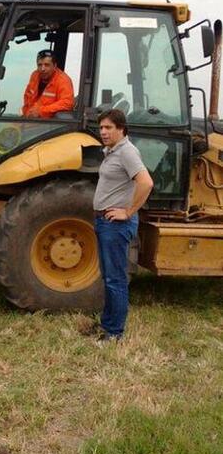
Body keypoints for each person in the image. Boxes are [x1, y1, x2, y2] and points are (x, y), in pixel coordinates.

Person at [93, 109, 154, 342]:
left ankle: (114, 333)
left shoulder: (127, 152)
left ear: (121, 128)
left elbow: (146, 183)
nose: (103, 132)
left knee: (115, 278)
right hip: (104, 221)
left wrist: (128, 212)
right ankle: (106, 326)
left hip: (115, 225)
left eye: (108, 127)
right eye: (101, 128)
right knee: (108, 276)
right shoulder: (112, 152)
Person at [22, 49, 75, 119]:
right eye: (39, 65)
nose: (42, 69)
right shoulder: (35, 75)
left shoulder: (63, 80)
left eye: (46, 65)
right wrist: (27, 114)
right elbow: (27, 97)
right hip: (30, 120)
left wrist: (41, 111)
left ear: (55, 66)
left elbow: (67, 103)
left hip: (50, 124)